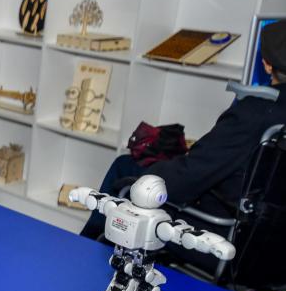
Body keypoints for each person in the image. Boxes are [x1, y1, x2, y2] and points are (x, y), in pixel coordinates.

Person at [82, 20, 286, 242]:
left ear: (266, 64)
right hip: (271, 243)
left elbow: (184, 181)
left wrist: (158, 167)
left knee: (125, 168)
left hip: (217, 235)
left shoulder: (255, 112)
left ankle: (87, 248)